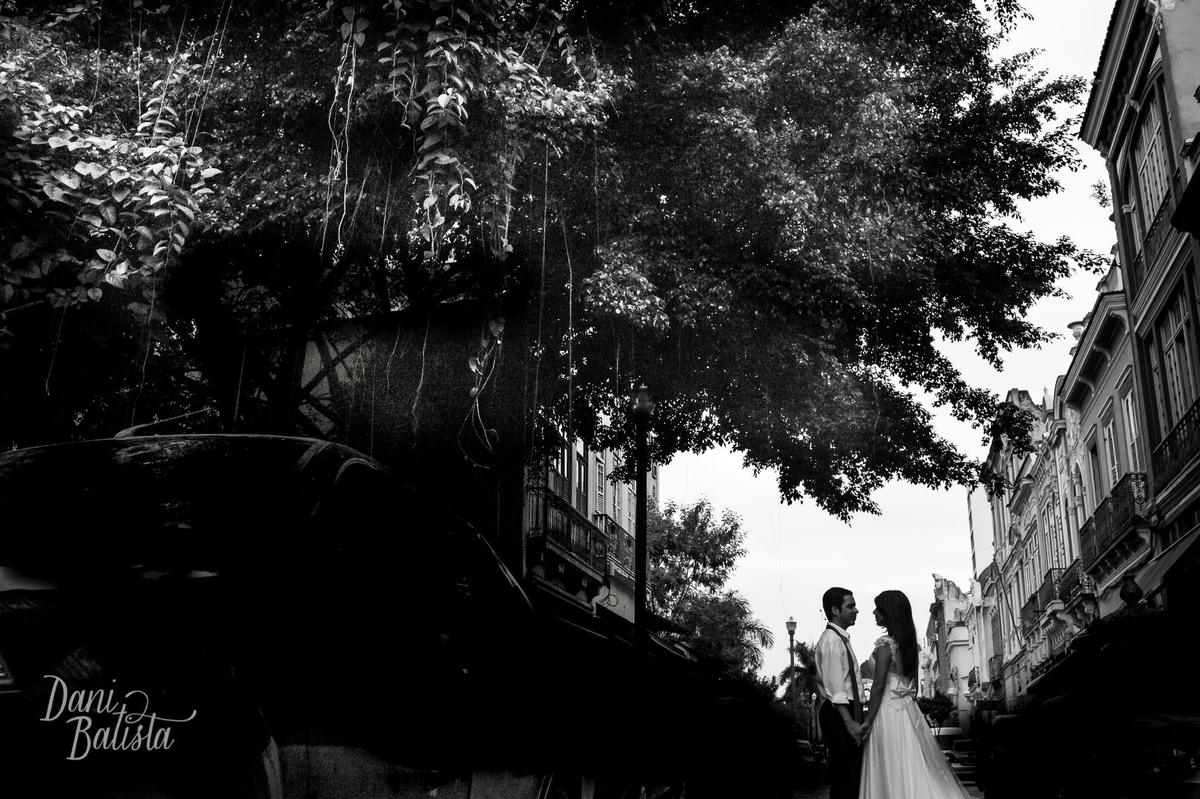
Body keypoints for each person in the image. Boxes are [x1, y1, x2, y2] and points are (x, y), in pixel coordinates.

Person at [859, 589, 972, 798]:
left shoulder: (885, 645)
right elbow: (913, 686)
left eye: (878, 609)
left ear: (889, 612)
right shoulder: (909, 646)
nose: (874, 612)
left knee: (888, 764)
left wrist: (867, 721)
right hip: (906, 712)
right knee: (910, 763)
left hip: (886, 712)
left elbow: (877, 686)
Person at [815, 586, 865, 799]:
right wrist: (850, 722)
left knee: (849, 776)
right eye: (850, 605)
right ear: (835, 610)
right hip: (840, 713)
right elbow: (836, 688)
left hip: (844, 712)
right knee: (847, 777)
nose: (856, 610)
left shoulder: (840, 638)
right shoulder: (832, 640)